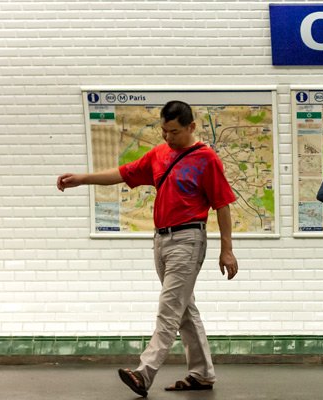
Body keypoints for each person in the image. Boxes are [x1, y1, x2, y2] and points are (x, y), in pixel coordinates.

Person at [56, 100, 239, 397]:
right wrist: (82, 179)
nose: (168, 138)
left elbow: (222, 205)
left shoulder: (207, 160)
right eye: (164, 131)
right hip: (161, 240)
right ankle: (202, 374)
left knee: (168, 310)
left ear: (191, 127)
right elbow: (123, 173)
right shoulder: (159, 154)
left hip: (189, 240)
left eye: (174, 132)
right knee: (184, 311)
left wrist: (227, 249)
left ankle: (144, 372)